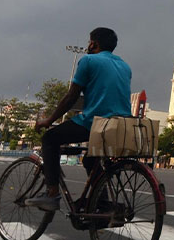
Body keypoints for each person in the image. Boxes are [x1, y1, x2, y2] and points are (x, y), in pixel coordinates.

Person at [25, 28, 132, 211]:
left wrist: (49, 120)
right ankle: (102, 201)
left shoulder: (88, 60)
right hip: (122, 126)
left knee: (50, 139)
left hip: (96, 123)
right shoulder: (125, 66)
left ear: (93, 44)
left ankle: (51, 194)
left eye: (89, 42)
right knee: (91, 160)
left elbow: (71, 97)